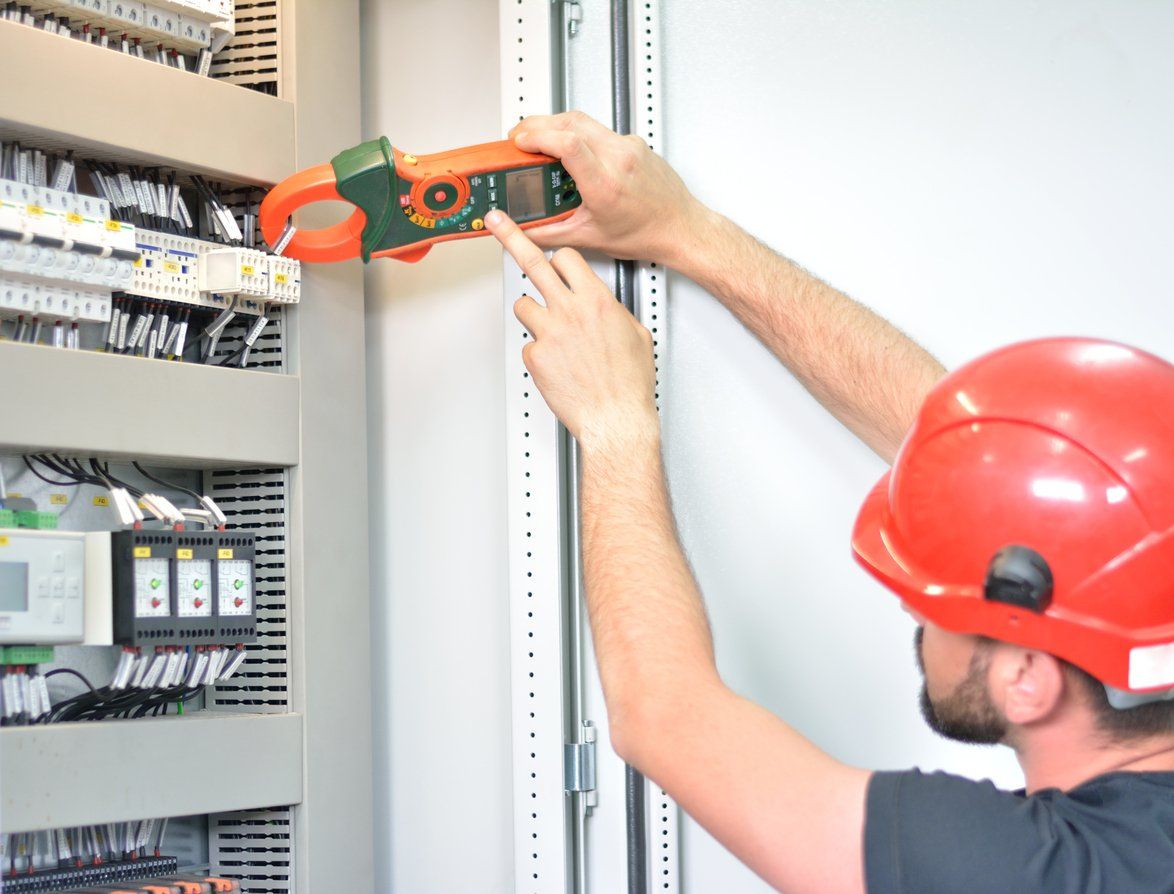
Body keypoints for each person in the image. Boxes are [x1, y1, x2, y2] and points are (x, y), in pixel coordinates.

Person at [481, 111, 1174, 894]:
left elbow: (663, 715)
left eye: (933, 603)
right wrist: (681, 231)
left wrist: (612, 424)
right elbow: (966, 449)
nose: (915, 616)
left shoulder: (1030, 874)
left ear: (1027, 678)